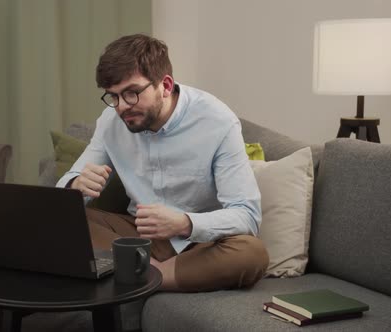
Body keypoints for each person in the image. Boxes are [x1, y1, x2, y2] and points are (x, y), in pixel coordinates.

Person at [57, 34, 269, 292]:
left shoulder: (218, 122)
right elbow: (62, 201)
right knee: (60, 222)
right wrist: (75, 186)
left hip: (195, 244)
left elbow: (246, 215)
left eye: (132, 93)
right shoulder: (111, 121)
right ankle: (146, 274)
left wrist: (184, 223)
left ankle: (139, 277)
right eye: (113, 97)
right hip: (135, 238)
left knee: (251, 254)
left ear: (166, 85)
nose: (122, 106)